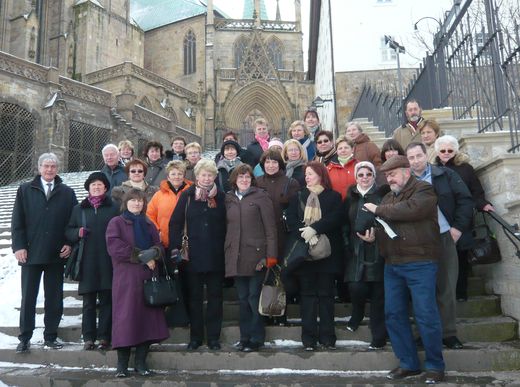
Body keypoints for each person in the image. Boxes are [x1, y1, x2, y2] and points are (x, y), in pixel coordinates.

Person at [363, 155, 445, 384]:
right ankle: (408, 363)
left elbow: (410, 210)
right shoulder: (389, 196)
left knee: (426, 315)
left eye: (393, 174)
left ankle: (435, 366)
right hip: (393, 265)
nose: (390, 178)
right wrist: (373, 237)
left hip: (421, 262)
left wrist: (378, 209)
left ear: (406, 172)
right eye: (387, 175)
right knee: (394, 315)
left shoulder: (424, 189)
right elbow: (389, 224)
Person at [406, 142, 474, 350]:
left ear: (426, 155)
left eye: (419, 155)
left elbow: (465, 200)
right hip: (418, 242)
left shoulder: (445, 175)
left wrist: (458, 228)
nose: (416, 160)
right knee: (421, 291)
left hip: (445, 236)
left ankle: (448, 333)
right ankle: (422, 333)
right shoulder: (405, 180)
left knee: (446, 287)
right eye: (411, 158)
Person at [12, 153, 78, 353]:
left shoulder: (67, 192)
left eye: (53, 166)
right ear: (39, 168)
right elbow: (17, 222)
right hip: (30, 253)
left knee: (54, 297)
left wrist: (69, 243)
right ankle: (24, 337)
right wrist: (19, 246)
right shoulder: (25, 190)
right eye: (46, 166)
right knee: (28, 297)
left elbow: (73, 222)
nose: (49, 170)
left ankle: (50, 335)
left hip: (56, 253)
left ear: (57, 169)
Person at [106, 189, 169, 377]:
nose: (136, 204)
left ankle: (141, 363)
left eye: (140, 201)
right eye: (133, 200)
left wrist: (153, 255)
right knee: (125, 320)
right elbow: (115, 247)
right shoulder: (116, 222)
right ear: (126, 203)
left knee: (146, 321)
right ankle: (122, 366)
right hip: (126, 280)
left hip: (147, 279)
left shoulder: (148, 223)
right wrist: (142, 257)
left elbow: (158, 246)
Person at [285, 161, 342, 351]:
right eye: (306, 174)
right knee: (307, 296)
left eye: (310, 173)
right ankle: (308, 338)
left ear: (321, 175)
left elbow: (335, 218)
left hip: (326, 254)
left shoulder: (333, 196)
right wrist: (304, 233)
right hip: (305, 254)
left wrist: (314, 229)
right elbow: (291, 219)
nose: (307, 177)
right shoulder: (298, 196)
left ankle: (327, 337)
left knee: (326, 296)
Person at [170, 159, 227, 350]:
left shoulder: (221, 197)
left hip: (216, 256)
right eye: (203, 174)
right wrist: (175, 248)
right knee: (194, 299)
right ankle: (195, 337)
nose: (207, 178)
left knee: (215, 299)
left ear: (215, 177)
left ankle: (213, 337)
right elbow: (175, 223)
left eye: (210, 175)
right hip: (192, 257)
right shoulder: (186, 196)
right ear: (197, 176)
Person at [434, 135, 495, 301]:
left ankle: (461, 292)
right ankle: (446, 292)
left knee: (462, 257)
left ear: (455, 151)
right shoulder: (432, 170)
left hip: (462, 218)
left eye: (450, 150)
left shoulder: (466, 169)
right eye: (443, 150)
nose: (446, 153)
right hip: (442, 220)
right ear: (437, 152)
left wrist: (482, 204)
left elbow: (476, 190)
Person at [224, 164, 277, 352]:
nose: (244, 180)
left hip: (256, 256)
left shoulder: (261, 197)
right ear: (234, 180)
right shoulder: (229, 198)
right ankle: (244, 337)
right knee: (242, 298)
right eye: (241, 177)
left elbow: (271, 229)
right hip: (235, 256)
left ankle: (256, 337)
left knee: (254, 298)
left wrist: (271, 256)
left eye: (247, 177)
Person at [65, 172, 118, 351]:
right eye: (93, 185)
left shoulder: (114, 208)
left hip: (107, 260)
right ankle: (88, 337)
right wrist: (77, 232)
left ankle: (104, 336)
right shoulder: (78, 209)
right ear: (88, 188)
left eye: (100, 185)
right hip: (86, 261)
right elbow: (68, 230)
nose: (96, 187)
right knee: (88, 302)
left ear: (105, 188)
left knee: (106, 300)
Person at [342, 162, 388, 350]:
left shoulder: (382, 195)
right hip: (355, 249)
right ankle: (357, 312)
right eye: (360, 174)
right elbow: (344, 222)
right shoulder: (350, 197)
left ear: (374, 176)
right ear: (356, 177)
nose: (365, 177)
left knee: (378, 292)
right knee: (356, 287)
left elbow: (388, 218)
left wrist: (376, 235)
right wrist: (347, 242)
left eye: (368, 174)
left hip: (377, 249)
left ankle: (378, 336)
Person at [147, 160, 192, 249]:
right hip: (164, 241)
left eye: (180, 174)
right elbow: (149, 215)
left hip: (187, 242)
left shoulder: (191, 194)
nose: (176, 177)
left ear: (184, 176)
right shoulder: (158, 195)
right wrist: (157, 231)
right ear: (168, 176)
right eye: (173, 174)